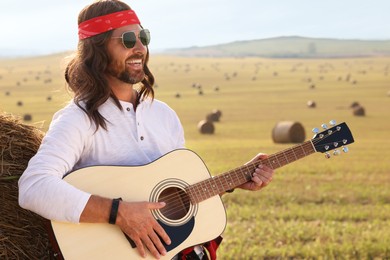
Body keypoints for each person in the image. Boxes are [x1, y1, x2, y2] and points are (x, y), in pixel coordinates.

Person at [18, 0, 274, 259]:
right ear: (97, 49)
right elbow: (34, 187)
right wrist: (119, 213)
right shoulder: (78, 119)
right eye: (128, 39)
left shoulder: (163, 115)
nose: (140, 48)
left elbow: (176, 197)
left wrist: (237, 180)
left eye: (144, 37)